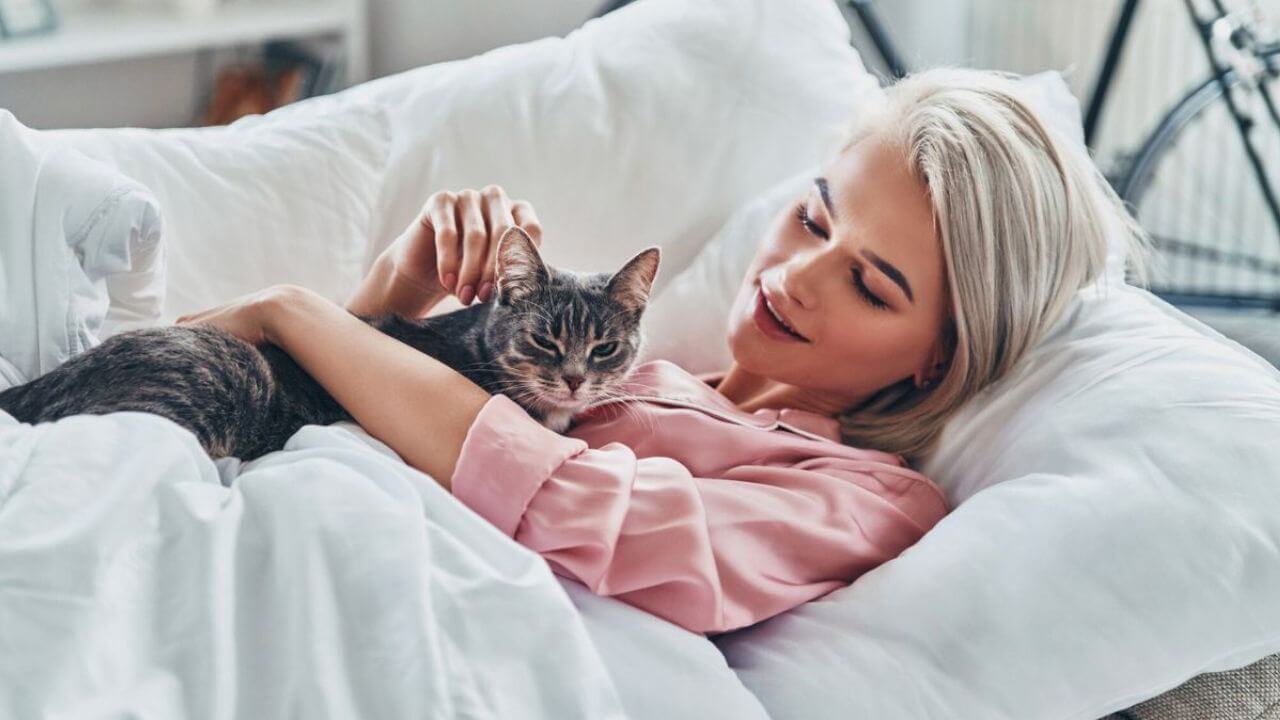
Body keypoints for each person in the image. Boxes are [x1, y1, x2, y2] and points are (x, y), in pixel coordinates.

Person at [177, 68, 1148, 635]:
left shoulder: (863, 498)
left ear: (938, 358)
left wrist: (299, 314)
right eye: (812, 218)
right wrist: (398, 294)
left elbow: (567, 507)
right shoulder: (646, 367)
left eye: (868, 282)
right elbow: (309, 427)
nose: (796, 274)